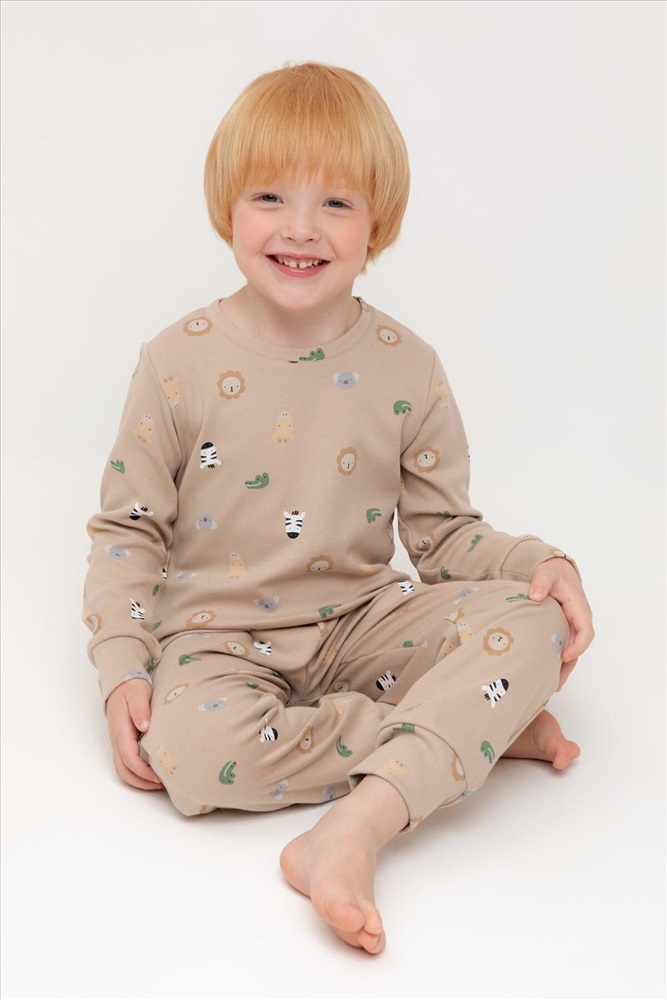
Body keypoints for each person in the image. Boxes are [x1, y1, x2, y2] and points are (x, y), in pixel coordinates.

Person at [83, 61, 593, 955]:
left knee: (536, 622)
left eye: (335, 203)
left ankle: (355, 826)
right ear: (227, 209)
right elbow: (128, 530)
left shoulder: (407, 366)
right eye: (269, 196)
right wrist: (124, 667)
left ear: (376, 224)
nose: (299, 228)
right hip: (216, 638)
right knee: (188, 757)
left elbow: (442, 535)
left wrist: (533, 563)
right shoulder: (177, 361)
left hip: (360, 622)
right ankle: (462, 728)